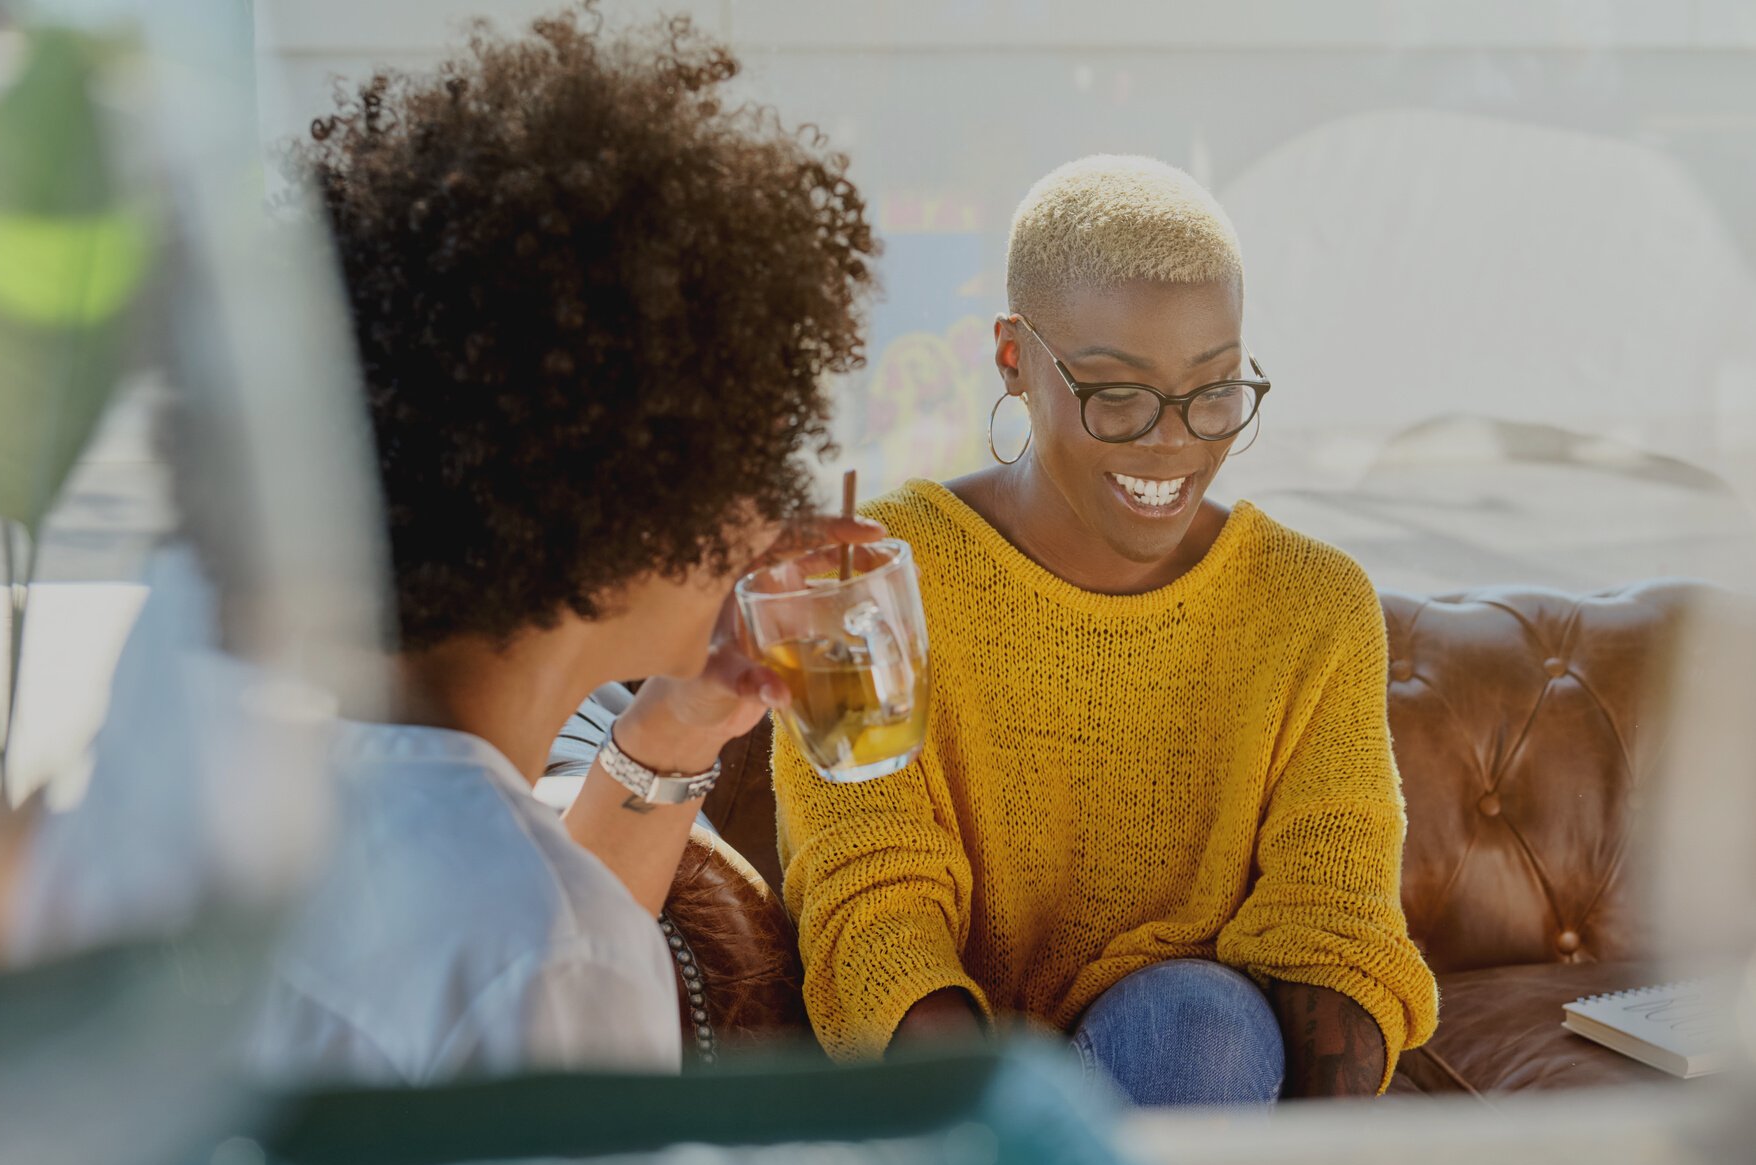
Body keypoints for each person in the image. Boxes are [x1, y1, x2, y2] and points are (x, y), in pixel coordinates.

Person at [240, 9, 880, 1084]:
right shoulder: (551, 946)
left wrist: (676, 729)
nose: (767, 522)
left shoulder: (250, 813)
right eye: (747, 456)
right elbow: (533, 959)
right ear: (631, 497)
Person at [773, 155, 1438, 1107]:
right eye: (1116, 394)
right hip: (969, 1092)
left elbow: (1331, 921)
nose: (1171, 443)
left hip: (1207, 1080)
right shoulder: (860, 578)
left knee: (1199, 1024)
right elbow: (870, 903)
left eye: (1213, 391)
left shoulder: (1314, 605)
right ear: (1013, 357)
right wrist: (1002, 1130)